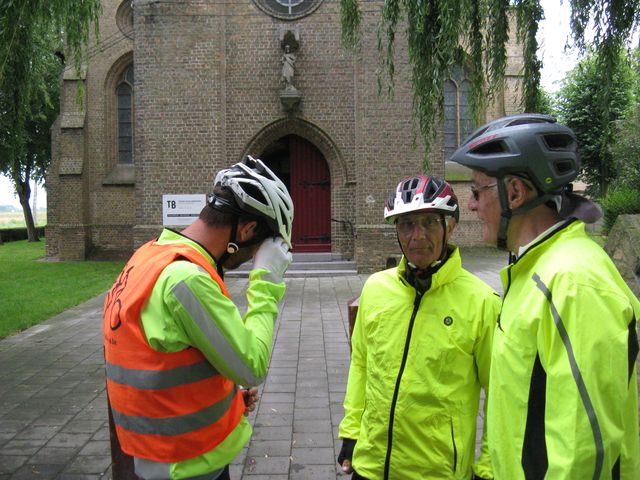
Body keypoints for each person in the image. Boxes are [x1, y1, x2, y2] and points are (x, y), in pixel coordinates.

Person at [450, 113, 640, 479]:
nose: (471, 205)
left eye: (477, 192)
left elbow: (585, 452)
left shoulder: (573, 283)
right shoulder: (533, 272)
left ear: (516, 193)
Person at [103, 156, 294, 480]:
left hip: (155, 459)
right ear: (246, 229)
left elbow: (164, 356)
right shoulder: (187, 280)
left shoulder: (150, 256)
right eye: (258, 249)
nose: (253, 259)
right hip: (187, 466)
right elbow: (251, 366)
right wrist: (266, 279)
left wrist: (226, 397)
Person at [338, 175, 501, 480]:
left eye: (428, 222)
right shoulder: (375, 288)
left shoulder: (481, 302)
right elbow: (361, 363)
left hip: (436, 471)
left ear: (449, 226)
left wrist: (489, 467)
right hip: (371, 465)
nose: (417, 236)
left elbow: (499, 393)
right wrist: (351, 430)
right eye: (406, 224)